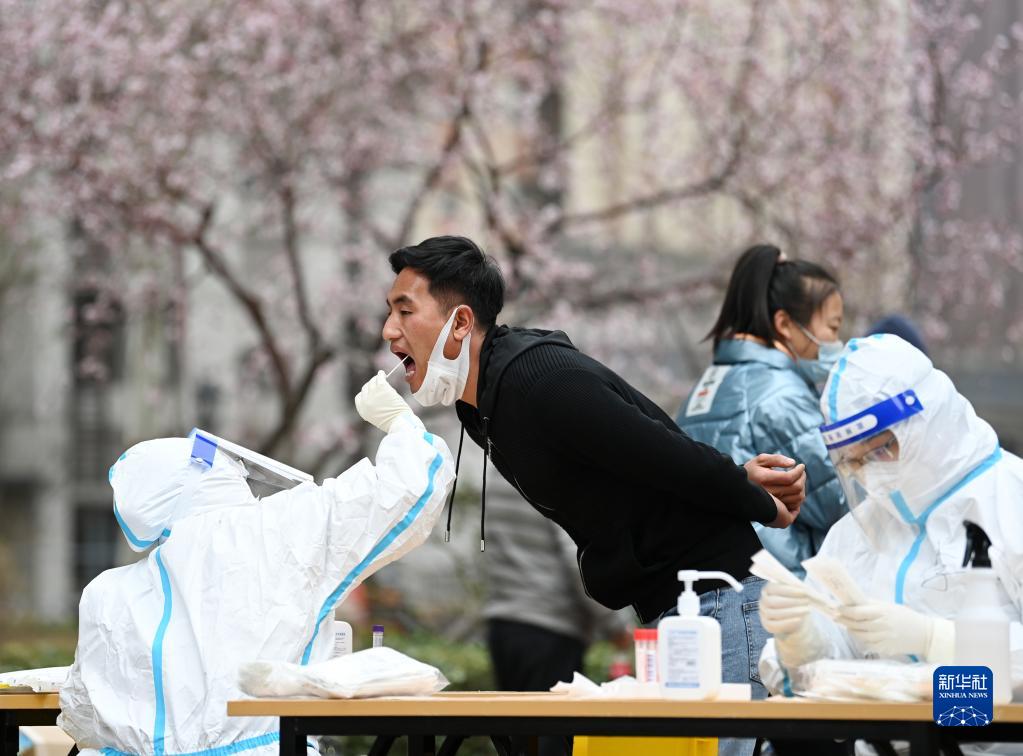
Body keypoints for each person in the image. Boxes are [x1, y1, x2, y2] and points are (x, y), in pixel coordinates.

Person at [357, 235, 807, 756]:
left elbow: (658, 451)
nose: (389, 331)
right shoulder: (481, 407)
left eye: (404, 311)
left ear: (460, 323)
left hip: (719, 602)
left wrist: (753, 499)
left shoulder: (537, 379)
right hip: (675, 610)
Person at [58, 387, 454, 756]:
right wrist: (403, 425)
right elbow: (407, 488)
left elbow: (82, 715)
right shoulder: (278, 530)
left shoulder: (104, 593)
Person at [759, 334, 1023, 693]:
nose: (868, 472)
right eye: (853, 462)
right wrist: (800, 638)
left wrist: (935, 640)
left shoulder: (1010, 495)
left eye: (879, 450)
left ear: (924, 422)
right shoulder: (857, 532)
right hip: (888, 744)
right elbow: (814, 679)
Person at [677, 244, 847, 576]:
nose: (836, 341)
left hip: (711, 586)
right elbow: (839, 503)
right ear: (784, 324)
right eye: (833, 327)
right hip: (773, 595)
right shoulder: (780, 396)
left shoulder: (705, 389)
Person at [484, 476, 630, 756]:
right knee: (551, 744)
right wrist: (615, 624)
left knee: (520, 744)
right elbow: (579, 559)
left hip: (503, 625)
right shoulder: (547, 476)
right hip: (551, 630)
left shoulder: (498, 472)